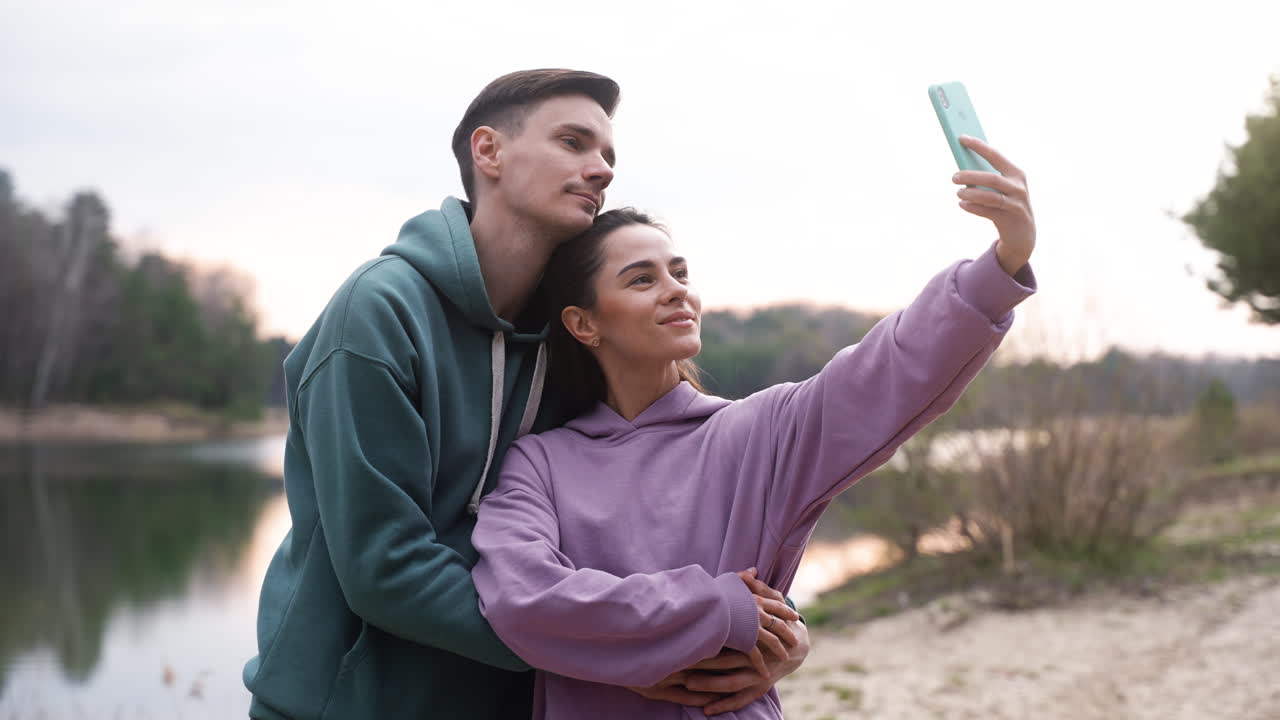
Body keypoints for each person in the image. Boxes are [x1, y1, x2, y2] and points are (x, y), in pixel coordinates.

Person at [243, 68, 808, 720]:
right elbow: (385, 568)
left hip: (516, 701)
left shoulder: (575, 330)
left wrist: (778, 629)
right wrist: (614, 652)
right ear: (489, 152)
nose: (600, 169)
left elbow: (662, 502)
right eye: (573, 142)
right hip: (349, 704)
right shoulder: (376, 317)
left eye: (607, 155)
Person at [471, 135, 1038, 719]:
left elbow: (891, 369)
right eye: (642, 280)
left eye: (680, 272)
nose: (677, 292)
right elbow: (521, 599)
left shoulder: (760, 432)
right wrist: (719, 611)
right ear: (583, 323)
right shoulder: (540, 463)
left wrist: (1003, 262)